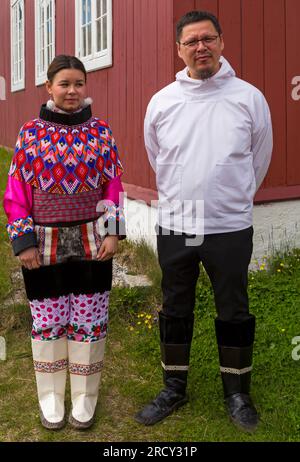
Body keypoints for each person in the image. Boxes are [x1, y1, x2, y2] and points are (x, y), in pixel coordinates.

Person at [135, 10, 273, 432]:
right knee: (176, 307)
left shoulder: (249, 97)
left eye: (208, 39)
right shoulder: (162, 102)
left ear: (221, 42)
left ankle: (237, 393)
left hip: (230, 224)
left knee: (234, 309)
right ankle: (173, 387)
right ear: (179, 50)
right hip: (179, 222)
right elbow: (156, 156)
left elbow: (259, 158)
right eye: (191, 41)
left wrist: (233, 199)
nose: (201, 47)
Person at [3, 55, 125, 430]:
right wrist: (23, 242)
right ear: (49, 87)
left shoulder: (101, 133)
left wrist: (112, 231)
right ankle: (52, 399)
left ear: (85, 87)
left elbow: (113, 186)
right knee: (48, 321)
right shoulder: (31, 134)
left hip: (92, 245)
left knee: (89, 321)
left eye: (78, 84)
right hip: (43, 247)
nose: (72, 91)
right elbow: (16, 192)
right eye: (64, 84)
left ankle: (85, 400)